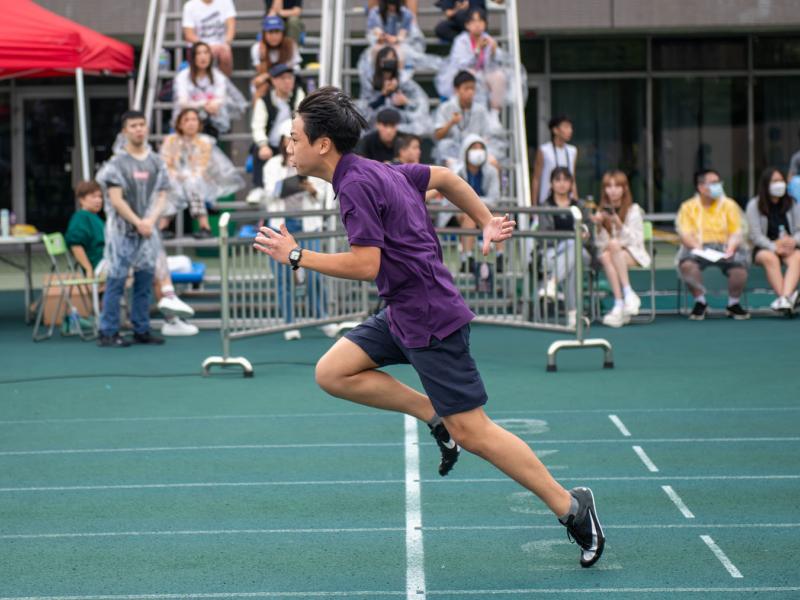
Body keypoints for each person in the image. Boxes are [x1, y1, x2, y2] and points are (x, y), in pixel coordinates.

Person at [253, 87, 606, 569]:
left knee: (477, 432)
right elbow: (444, 177)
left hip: (430, 315)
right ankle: (433, 415)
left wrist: (295, 255)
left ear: (323, 145)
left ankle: (571, 506)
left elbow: (364, 264)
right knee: (333, 372)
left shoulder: (357, 184)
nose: (286, 146)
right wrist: (483, 220)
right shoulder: (374, 171)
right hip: (402, 310)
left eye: (293, 137)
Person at [66, 181, 199, 337]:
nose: (98, 200)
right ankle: (171, 315)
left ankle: (171, 314)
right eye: (93, 197)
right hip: (103, 265)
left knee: (162, 265)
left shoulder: (96, 218)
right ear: (81, 199)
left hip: (113, 261)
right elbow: (75, 245)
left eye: (100, 197)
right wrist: (88, 269)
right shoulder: (81, 217)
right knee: (156, 264)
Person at [95, 111, 171, 347]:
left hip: (148, 231)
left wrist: (150, 220)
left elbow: (162, 194)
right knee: (116, 280)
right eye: (133, 125)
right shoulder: (116, 164)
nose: (138, 129)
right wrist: (137, 222)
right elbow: (116, 199)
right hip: (122, 231)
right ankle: (108, 331)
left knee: (144, 280)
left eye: (142, 124)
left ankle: (142, 329)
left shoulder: (156, 161)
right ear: (124, 131)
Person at [263, 119, 338, 341]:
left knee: (316, 276)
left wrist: (311, 188)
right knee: (284, 278)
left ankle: (322, 318)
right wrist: (296, 182)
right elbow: (270, 192)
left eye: (296, 139)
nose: (292, 144)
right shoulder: (272, 165)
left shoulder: (316, 163)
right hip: (281, 227)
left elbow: (325, 196)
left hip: (309, 227)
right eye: (289, 139)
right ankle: (289, 323)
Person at [676, 169, 750, 321]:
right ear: (701, 187)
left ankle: (733, 304)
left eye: (719, 183)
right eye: (713, 183)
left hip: (724, 246)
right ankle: (700, 302)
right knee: (687, 265)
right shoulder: (688, 207)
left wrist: (731, 247)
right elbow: (685, 234)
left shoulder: (729, 205)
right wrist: (698, 248)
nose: (718, 186)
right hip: (698, 247)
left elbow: (736, 232)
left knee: (739, 266)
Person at [159, 108, 244, 239]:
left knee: (193, 183)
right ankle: (162, 227)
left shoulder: (205, 141)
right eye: (186, 120)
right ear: (179, 124)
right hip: (176, 179)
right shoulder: (170, 140)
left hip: (202, 180)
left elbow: (202, 167)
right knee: (171, 184)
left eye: (194, 119)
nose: (191, 123)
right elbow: (165, 163)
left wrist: (187, 176)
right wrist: (177, 175)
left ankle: (205, 227)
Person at [591, 170, 650, 328]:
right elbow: (599, 245)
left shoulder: (634, 210)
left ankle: (624, 297)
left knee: (613, 247)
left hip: (634, 253)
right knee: (606, 255)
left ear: (625, 188)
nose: (613, 190)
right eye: (609, 186)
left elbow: (636, 240)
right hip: (613, 255)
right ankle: (622, 299)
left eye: (617, 186)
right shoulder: (601, 211)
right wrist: (598, 226)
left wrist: (618, 224)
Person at [538, 167, 591, 328]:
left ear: (571, 184)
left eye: (565, 180)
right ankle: (573, 314)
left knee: (574, 246)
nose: (562, 184)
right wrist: (571, 238)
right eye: (558, 180)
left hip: (582, 253)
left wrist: (584, 235)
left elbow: (588, 230)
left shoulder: (580, 206)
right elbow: (545, 237)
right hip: (553, 253)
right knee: (572, 262)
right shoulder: (545, 206)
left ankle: (551, 283)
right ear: (552, 184)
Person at [746, 167, 800, 314]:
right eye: (775, 181)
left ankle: (784, 299)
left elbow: (799, 229)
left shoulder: (792, 203)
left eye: (781, 180)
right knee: (769, 258)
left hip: (789, 247)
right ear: (766, 184)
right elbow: (755, 236)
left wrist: (793, 241)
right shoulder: (754, 205)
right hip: (764, 248)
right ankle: (788, 297)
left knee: (798, 257)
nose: (780, 184)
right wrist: (773, 246)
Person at [435, 8, 508, 114]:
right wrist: (477, 51)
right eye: (473, 21)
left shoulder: (489, 40)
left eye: (480, 21)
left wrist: (494, 52)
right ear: (467, 25)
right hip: (463, 76)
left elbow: (495, 65)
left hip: (483, 76)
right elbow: (460, 64)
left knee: (499, 76)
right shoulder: (460, 41)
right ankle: (469, 112)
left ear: (485, 24)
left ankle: (494, 115)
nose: (477, 25)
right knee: (470, 76)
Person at [251, 63, 306, 188]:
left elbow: (302, 118)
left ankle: (304, 183)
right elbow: (257, 127)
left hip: (294, 142)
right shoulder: (264, 101)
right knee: (257, 149)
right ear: (273, 81)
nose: (287, 81)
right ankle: (259, 188)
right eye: (283, 78)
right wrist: (263, 145)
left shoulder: (299, 94)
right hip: (273, 146)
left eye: (290, 77)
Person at [174, 42, 243, 137]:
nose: (203, 57)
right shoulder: (183, 76)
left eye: (206, 53)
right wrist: (203, 104)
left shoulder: (218, 76)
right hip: (189, 118)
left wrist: (213, 105)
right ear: (193, 57)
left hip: (212, 119)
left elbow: (220, 99)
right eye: (199, 53)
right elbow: (183, 102)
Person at [433, 70, 501, 168]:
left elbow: (487, 136)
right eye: (466, 88)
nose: (470, 92)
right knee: (450, 166)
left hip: (476, 152)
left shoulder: (480, 110)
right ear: (456, 90)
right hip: (452, 155)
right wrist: (451, 123)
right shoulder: (445, 108)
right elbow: (437, 136)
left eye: (473, 88)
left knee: (493, 163)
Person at [359, 46, 431, 137]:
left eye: (393, 58)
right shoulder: (370, 82)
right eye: (387, 59)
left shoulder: (405, 83)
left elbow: (420, 106)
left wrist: (406, 102)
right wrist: (383, 95)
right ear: (379, 62)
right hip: (377, 128)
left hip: (401, 127)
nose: (390, 62)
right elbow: (364, 112)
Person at [455, 134, 500, 275]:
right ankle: (466, 258)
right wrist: (473, 204)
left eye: (481, 148)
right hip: (461, 211)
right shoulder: (457, 172)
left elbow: (494, 198)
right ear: (465, 151)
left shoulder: (492, 171)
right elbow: (456, 199)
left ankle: (500, 257)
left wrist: (474, 202)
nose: (478, 151)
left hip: (487, 210)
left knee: (498, 217)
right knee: (470, 217)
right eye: (474, 148)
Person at [182, 0, 236, 76]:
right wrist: (206, 47)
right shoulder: (190, 5)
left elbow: (231, 26)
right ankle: (199, 82)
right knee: (202, 52)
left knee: (226, 52)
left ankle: (224, 82)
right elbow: (189, 35)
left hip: (221, 46)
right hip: (199, 45)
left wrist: (226, 44)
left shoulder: (226, 2)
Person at [532, 115, 577, 205]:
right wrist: (533, 205)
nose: (570, 130)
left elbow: (572, 178)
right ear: (555, 130)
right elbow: (536, 179)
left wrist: (576, 199)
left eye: (571, 127)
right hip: (547, 201)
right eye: (566, 127)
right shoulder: (544, 150)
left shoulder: (573, 151)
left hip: (567, 201)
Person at [250, 15, 302, 86]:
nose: (274, 36)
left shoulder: (291, 45)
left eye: (277, 32)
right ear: (264, 34)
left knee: (288, 79)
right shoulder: (257, 47)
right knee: (260, 84)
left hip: (288, 84)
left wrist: (268, 74)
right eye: (270, 32)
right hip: (268, 84)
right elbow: (260, 74)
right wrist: (263, 57)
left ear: (283, 33)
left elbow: (291, 68)